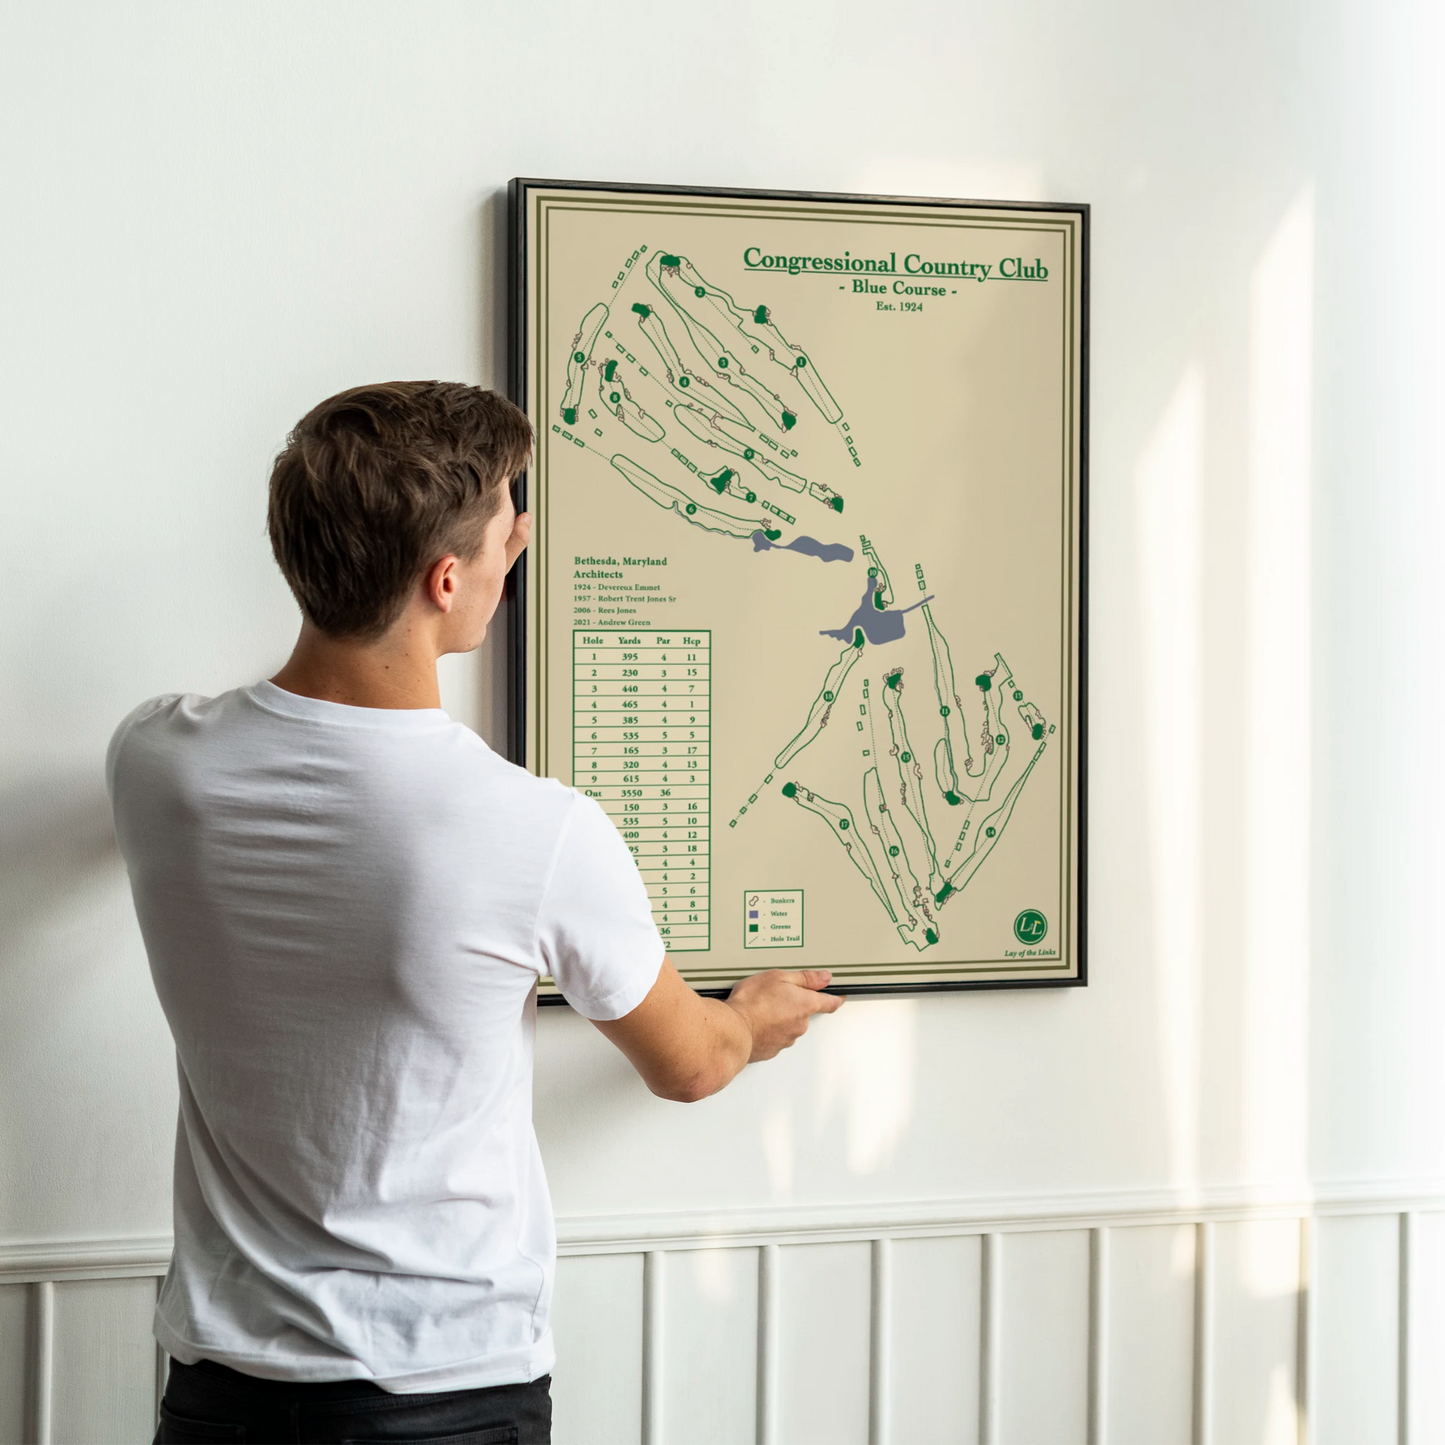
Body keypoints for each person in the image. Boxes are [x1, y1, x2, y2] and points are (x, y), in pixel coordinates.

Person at [107, 381, 844, 1443]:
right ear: (445, 577)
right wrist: (756, 1016)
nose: (523, 535)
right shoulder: (531, 828)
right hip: (443, 1389)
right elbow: (690, 1061)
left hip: (221, 1390)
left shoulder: (154, 761)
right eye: (510, 518)